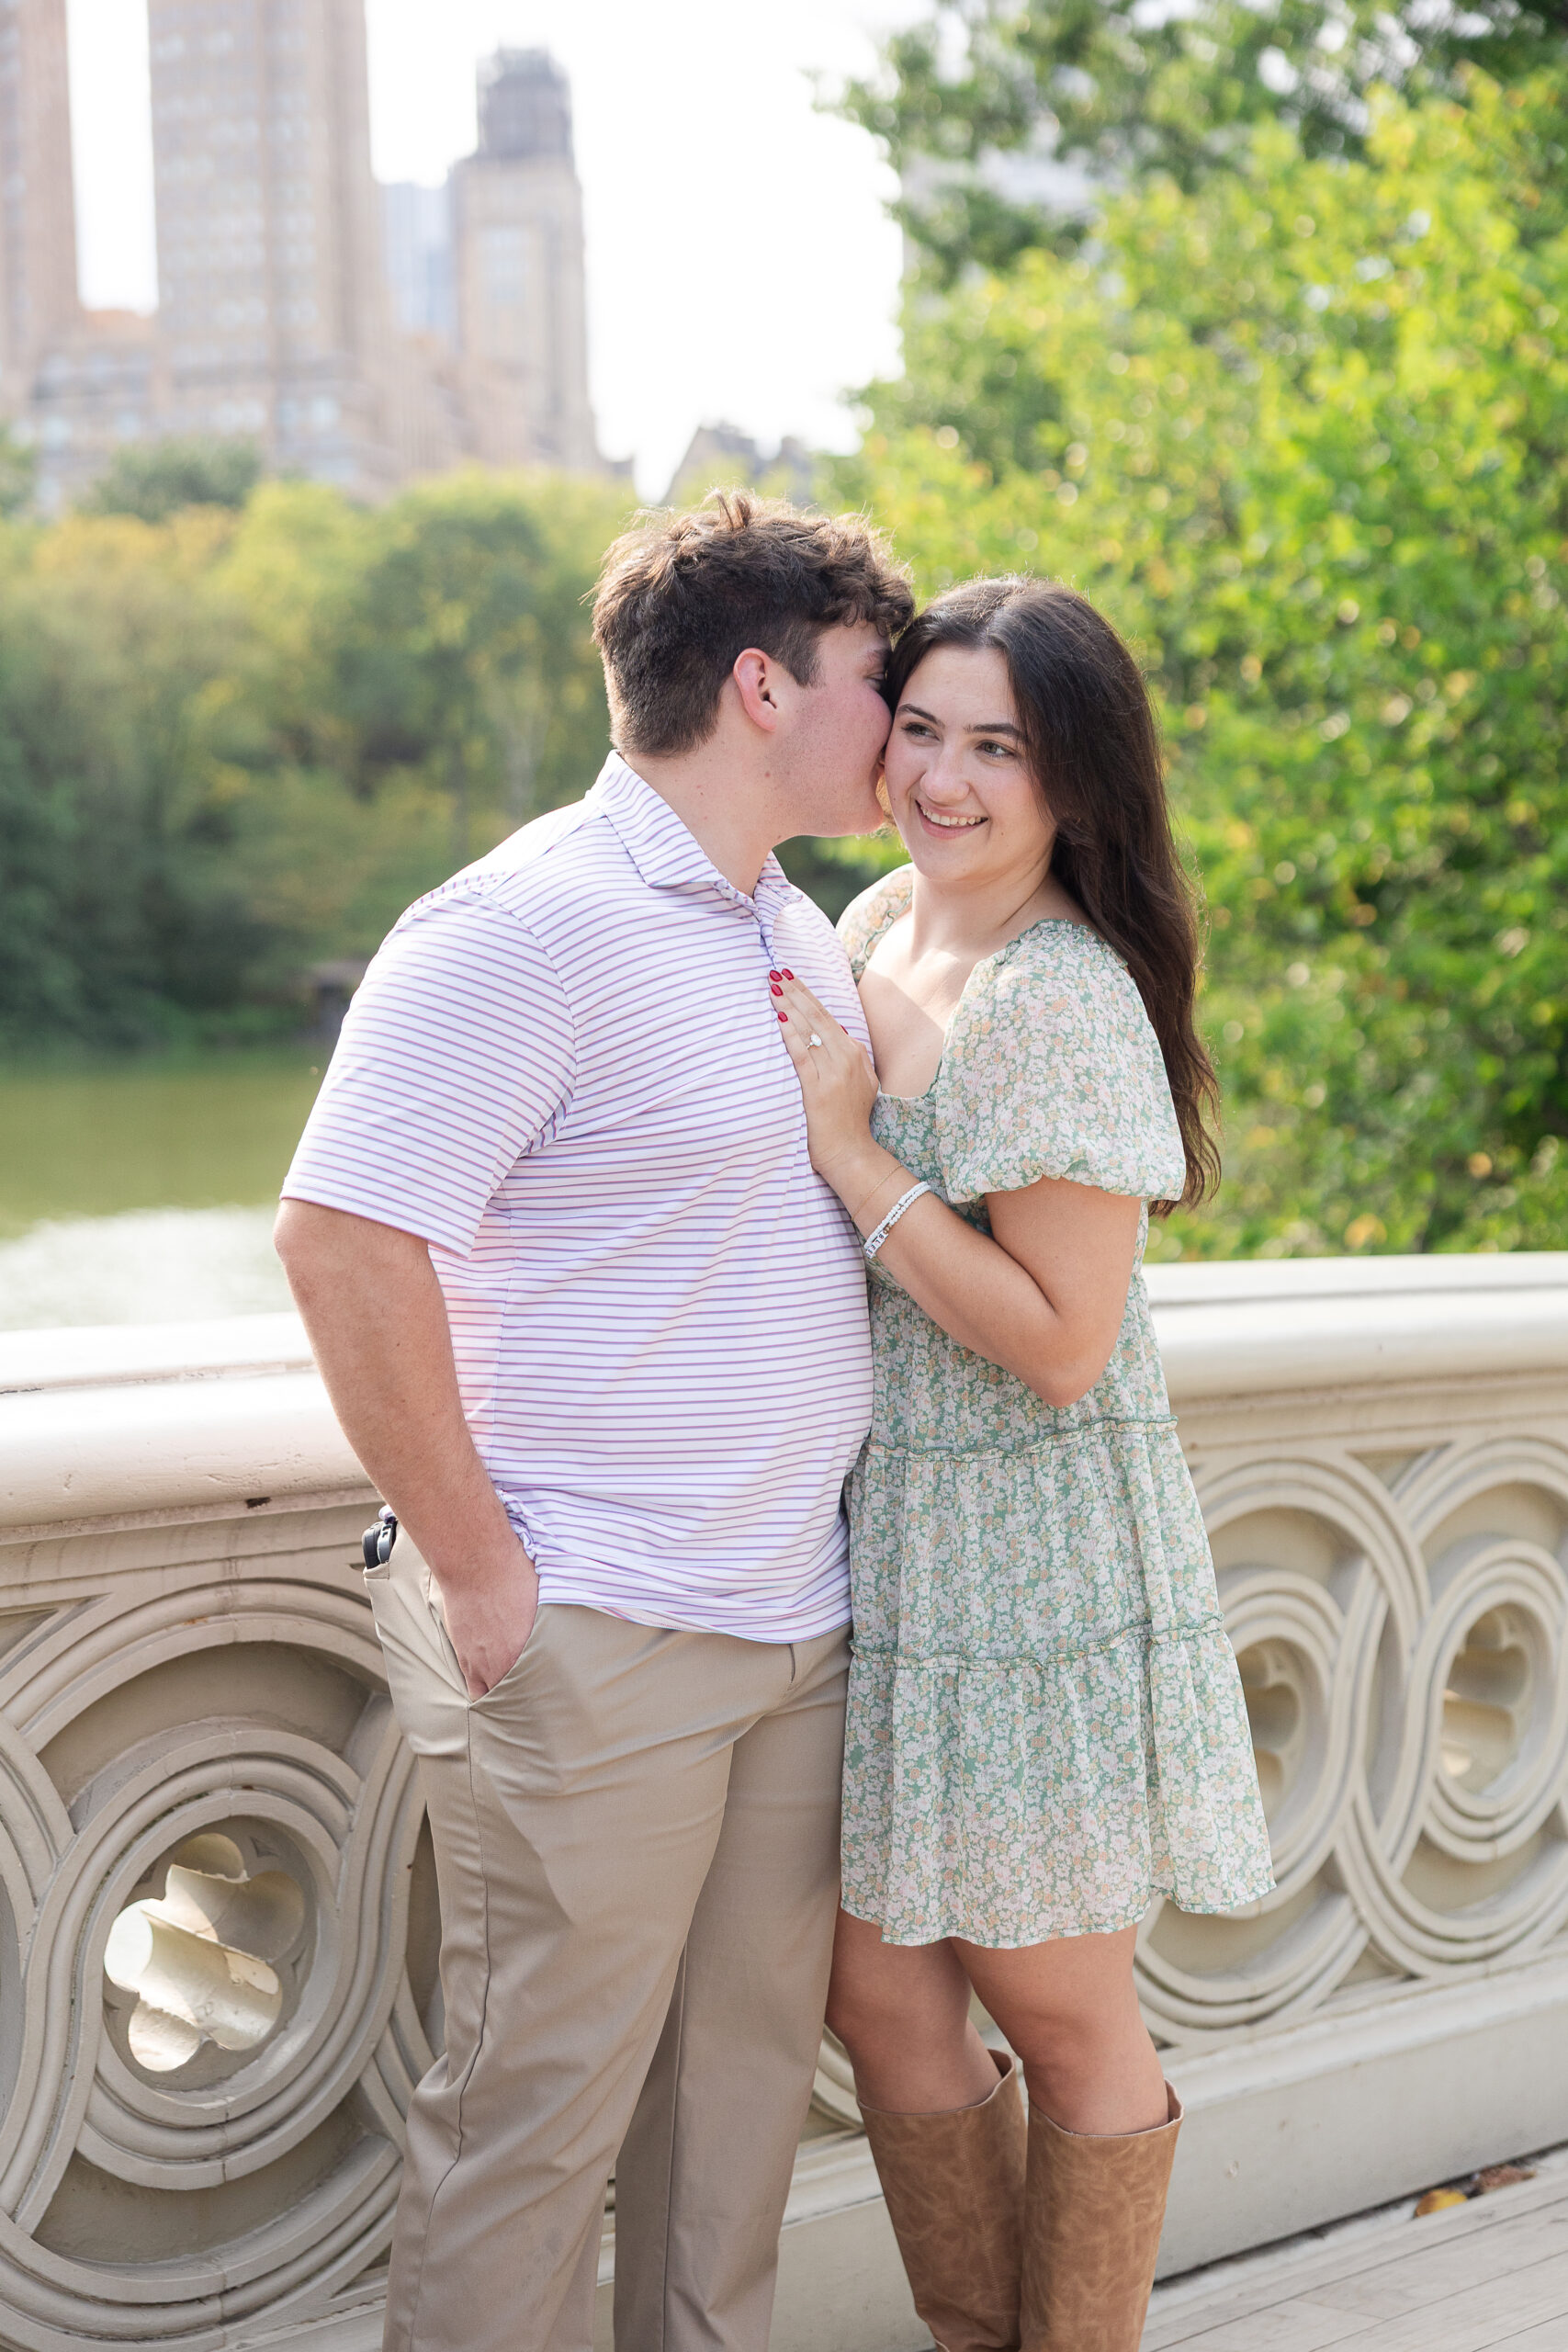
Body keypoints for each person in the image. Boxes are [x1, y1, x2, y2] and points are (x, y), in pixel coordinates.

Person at [273, 494, 914, 2352]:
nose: (897, 724)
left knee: (731, 2131)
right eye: (878, 681)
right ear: (759, 682)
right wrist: (482, 1570)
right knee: (530, 2133)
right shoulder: (521, 923)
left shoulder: (791, 926)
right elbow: (339, 1235)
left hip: (793, 1625)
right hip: (599, 1625)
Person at [770, 576, 1274, 2352]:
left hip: (1033, 1570)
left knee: (1059, 2018)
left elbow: (1064, 1345)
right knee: (883, 2002)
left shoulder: (1056, 997)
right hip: (894, 1546)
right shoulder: (880, 917)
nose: (946, 779)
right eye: (921, 729)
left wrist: (852, 1154)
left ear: (1077, 780)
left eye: (1000, 746)